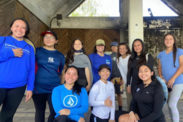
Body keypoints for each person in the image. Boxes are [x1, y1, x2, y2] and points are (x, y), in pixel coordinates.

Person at [0, 18, 35, 122]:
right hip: (0, 84)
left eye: (23, 27)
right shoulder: (3, 40)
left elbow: (32, 68)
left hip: (18, 87)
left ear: (26, 31)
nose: (20, 29)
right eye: (17, 26)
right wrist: (11, 53)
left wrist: (30, 88)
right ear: (11, 27)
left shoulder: (29, 48)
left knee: (7, 117)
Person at [32, 30, 65, 122]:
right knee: (40, 111)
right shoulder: (37, 51)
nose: (48, 39)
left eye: (51, 37)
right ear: (43, 39)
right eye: (46, 37)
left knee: (55, 111)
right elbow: (30, 67)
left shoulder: (60, 55)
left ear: (56, 41)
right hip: (38, 87)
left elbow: (60, 70)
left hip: (54, 88)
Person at [157, 33, 183, 122]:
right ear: (164, 41)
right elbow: (159, 67)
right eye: (166, 39)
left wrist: (173, 78)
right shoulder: (161, 54)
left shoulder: (180, 51)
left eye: (170, 39)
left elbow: (182, 66)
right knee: (169, 105)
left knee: (172, 104)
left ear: (174, 40)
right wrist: (161, 77)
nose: (168, 41)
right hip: (165, 84)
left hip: (177, 82)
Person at [116, 43, 131, 111]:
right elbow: (122, 73)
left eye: (123, 48)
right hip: (127, 83)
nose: (121, 50)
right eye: (120, 48)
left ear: (127, 50)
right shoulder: (118, 60)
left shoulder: (131, 58)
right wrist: (128, 84)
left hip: (135, 82)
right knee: (129, 101)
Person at [110, 41, 123, 111]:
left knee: (119, 94)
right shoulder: (109, 56)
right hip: (111, 78)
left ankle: (120, 109)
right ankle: (111, 108)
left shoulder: (121, 56)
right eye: (112, 46)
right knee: (110, 94)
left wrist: (122, 78)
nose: (114, 48)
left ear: (118, 47)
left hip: (119, 77)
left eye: (115, 46)